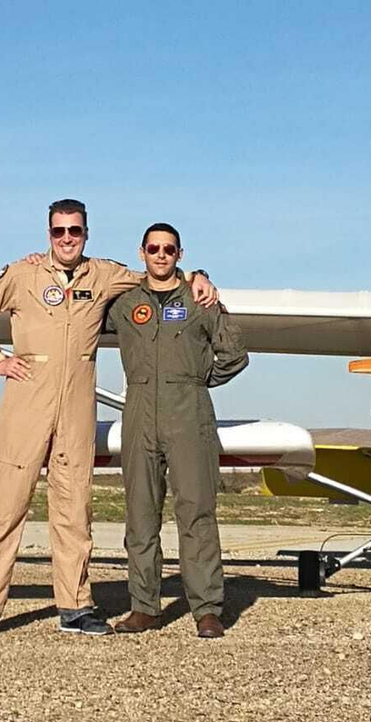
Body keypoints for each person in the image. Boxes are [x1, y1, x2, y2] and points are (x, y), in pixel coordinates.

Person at [0, 199, 217, 638]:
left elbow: (157, 274)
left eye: (74, 231)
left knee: (74, 507)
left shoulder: (105, 274)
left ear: (86, 233)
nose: (67, 240)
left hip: (76, 405)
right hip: (26, 400)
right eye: (59, 232)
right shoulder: (22, 275)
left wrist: (199, 276)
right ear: (48, 233)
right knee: (5, 505)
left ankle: (75, 605)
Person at [103, 223, 247, 639]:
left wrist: (197, 380)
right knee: (141, 514)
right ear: (142, 252)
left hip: (189, 414)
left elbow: (235, 354)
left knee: (197, 512)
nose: (160, 255)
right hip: (139, 412)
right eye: (153, 248)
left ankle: (206, 609)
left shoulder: (201, 300)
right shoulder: (125, 304)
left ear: (180, 254)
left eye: (169, 249)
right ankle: (144, 607)